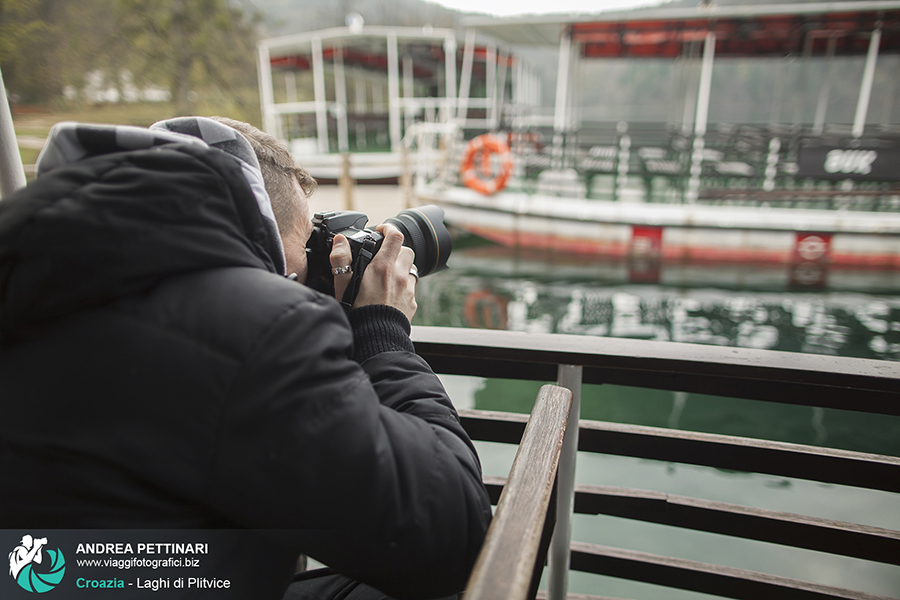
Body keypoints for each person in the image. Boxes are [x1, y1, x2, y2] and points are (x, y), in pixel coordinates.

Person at [0, 116, 492, 599]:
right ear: (260, 226)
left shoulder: (42, 275)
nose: (306, 270)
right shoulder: (255, 331)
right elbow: (454, 532)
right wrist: (382, 331)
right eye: (304, 245)